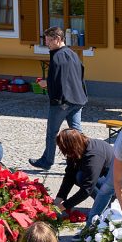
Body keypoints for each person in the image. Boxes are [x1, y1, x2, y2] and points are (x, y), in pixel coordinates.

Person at [29, 27, 87, 170]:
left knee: (52, 133)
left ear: (58, 39)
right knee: (77, 134)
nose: (47, 43)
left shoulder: (57, 56)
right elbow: (79, 75)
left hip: (62, 101)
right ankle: (83, 162)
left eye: (49, 40)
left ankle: (47, 161)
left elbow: (57, 80)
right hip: (78, 99)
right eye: (46, 39)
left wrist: (45, 83)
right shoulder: (73, 54)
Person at [51, 129, 122, 218]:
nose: (63, 153)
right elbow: (70, 174)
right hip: (104, 177)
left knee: (81, 177)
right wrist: (59, 198)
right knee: (77, 175)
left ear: (71, 146)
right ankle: (103, 201)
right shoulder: (78, 147)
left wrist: (63, 206)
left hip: (121, 184)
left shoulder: (93, 155)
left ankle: (104, 205)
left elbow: (87, 189)